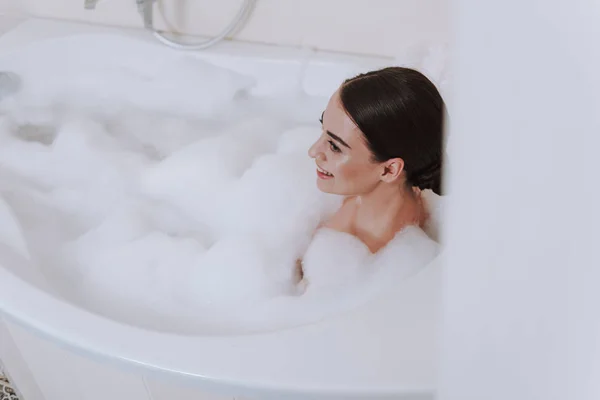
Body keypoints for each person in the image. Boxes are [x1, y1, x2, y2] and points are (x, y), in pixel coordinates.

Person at [307, 66, 445, 255]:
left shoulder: (378, 256)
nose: (313, 151)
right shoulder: (359, 196)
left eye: (334, 146)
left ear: (389, 170)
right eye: (323, 129)